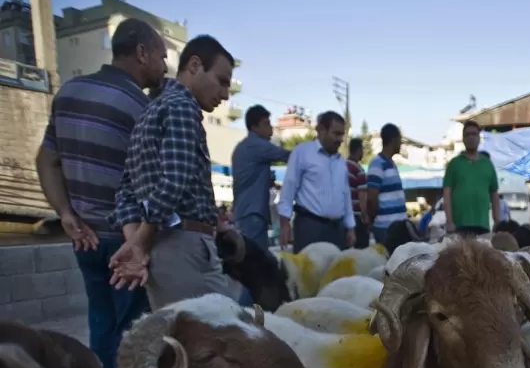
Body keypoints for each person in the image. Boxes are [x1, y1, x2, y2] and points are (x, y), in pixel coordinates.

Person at [36, 18, 165, 368]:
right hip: (126, 240)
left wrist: (65, 214)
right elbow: (157, 183)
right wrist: (143, 242)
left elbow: (46, 160)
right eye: (161, 56)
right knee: (132, 332)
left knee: (101, 323)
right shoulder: (142, 106)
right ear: (142, 52)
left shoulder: (69, 92)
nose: (164, 66)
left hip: (84, 237)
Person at [108, 34, 241, 310]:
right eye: (222, 81)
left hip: (163, 250)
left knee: (180, 330)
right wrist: (139, 244)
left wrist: (136, 242)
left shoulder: (149, 112)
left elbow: (126, 192)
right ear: (194, 66)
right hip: (184, 247)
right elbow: (174, 181)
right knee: (222, 330)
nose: (225, 94)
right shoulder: (182, 107)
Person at [276, 111, 355, 253]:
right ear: (322, 130)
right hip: (310, 228)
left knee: (337, 267)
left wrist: (350, 227)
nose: (340, 139)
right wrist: (284, 224)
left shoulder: (341, 161)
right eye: (336, 134)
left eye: (342, 135)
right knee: (308, 268)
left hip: (337, 230)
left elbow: (345, 195)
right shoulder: (302, 153)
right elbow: (289, 189)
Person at [231, 105, 291, 250]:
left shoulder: (243, 146)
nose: (271, 128)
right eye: (266, 124)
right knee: (256, 257)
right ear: (254, 126)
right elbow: (288, 156)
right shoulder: (257, 145)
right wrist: (311, 152)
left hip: (245, 212)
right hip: (253, 213)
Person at [442, 120, 500, 236]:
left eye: (474, 134)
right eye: (467, 135)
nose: (471, 138)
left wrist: (497, 221)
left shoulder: (487, 164)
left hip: (483, 225)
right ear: (463, 139)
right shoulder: (454, 164)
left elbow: (494, 194)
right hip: (459, 226)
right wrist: (449, 221)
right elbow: (447, 194)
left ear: (479, 138)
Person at [366, 123, 407, 245]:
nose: (401, 144)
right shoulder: (377, 163)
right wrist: (373, 220)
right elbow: (372, 196)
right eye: (400, 140)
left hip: (399, 227)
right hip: (386, 228)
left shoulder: (391, 163)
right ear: (393, 140)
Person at [346, 137, 370, 248]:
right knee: (361, 249)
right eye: (362, 150)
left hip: (344, 216)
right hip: (356, 216)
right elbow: (362, 196)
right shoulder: (358, 170)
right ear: (359, 150)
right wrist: (365, 215)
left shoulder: (342, 166)